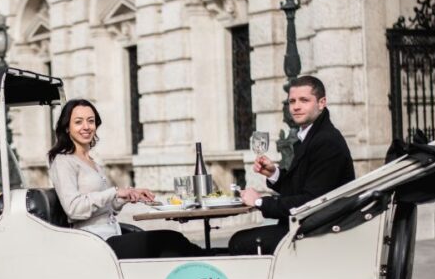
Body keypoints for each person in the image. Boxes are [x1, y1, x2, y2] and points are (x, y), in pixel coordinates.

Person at [48, 98, 202, 259]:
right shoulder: (63, 161)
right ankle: (211, 258)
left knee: (174, 242)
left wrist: (127, 195)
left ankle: (212, 257)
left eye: (91, 121)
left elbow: (108, 207)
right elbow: (74, 209)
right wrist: (115, 192)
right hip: (94, 242)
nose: (86, 127)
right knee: (168, 240)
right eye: (78, 122)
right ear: (67, 127)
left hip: (112, 235)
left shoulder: (92, 161)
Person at [228, 76, 355, 255]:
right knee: (238, 240)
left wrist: (259, 201)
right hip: (306, 227)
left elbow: (310, 201)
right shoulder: (311, 136)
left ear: (321, 103)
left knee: (238, 242)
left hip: (315, 233)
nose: (296, 107)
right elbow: (301, 188)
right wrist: (274, 174)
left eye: (304, 100)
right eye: (292, 101)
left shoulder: (326, 141)